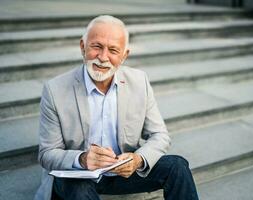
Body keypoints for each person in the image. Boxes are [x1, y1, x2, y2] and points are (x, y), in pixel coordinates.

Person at [34, 15, 199, 200]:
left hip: (122, 173)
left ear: (124, 56)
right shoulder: (54, 90)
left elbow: (160, 135)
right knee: (79, 189)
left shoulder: (139, 81)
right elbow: (47, 154)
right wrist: (82, 159)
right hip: (79, 174)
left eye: (113, 50)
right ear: (83, 47)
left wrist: (137, 160)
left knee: (177, 166)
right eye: (96, 46)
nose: (103, 57)